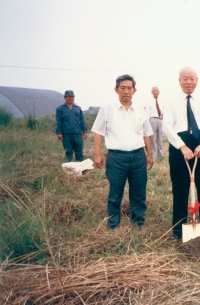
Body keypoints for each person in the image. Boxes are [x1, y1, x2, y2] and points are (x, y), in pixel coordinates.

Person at [91, 74, 154, 230]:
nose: (126, 91)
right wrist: (98, 154)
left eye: (129, 88)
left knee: (139, 192)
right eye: (123, 88)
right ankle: (113, 223)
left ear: (134, 90)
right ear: (116, 89)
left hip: (138, 156)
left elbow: (146, 134)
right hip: (116, 158)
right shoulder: (107, 109)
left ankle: (138, 222)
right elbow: (98, 132)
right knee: (115, 192)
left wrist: (150, 154)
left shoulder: (141, 110)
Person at [163, 67, 200, 240]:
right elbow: (167, 126)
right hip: (180, 145)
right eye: (184, 78)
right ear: (179, 80)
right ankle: (178, 230)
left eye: (191, 78)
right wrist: (182, 146)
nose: (188, 82)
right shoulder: (171, 100)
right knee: (180, 188)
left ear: (197, 80)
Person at [55, 90, 87, 162]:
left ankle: (80, 168)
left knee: (79, 151)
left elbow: (82, 121)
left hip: (77, 134)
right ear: (65, 98)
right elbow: (59, 122)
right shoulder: (60, 109)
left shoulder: (78, 108)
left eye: (72, 97)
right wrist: (59, 133)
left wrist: (84, 131)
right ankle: (70, 168)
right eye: (69, 97)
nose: (71, 98)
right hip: (66, 134)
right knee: (69, 152)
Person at [145, 86, 165, 161]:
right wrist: (147, 124)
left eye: (157, 91)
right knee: (152, 139)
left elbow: (164, 112)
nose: (156, 92)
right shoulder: (149, 102)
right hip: (152, 120)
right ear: (152, 92)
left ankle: (160, 155)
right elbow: (147, 113)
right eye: (154, 91)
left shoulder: (162, 102)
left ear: (159, 92)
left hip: (160, 120)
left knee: (160, 137)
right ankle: (153, 156)